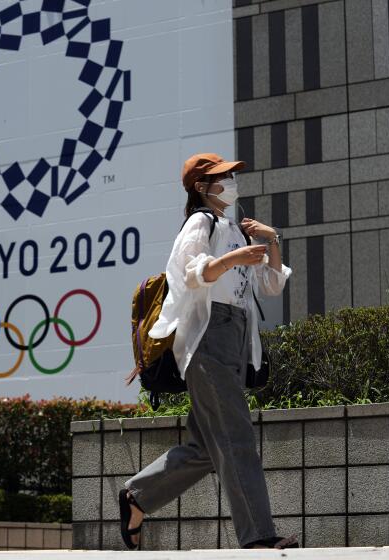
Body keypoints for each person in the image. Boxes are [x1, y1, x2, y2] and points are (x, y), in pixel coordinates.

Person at [119, 153, 297, 550]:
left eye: (231, 176)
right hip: (207, 337)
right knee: (235, 437)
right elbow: (191, 273)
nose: (231, 182)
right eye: (223, 177)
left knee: (205, 447)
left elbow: (270, 285)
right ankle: (259, 537)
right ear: (202, 187)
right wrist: (237, 256)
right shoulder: (202, 222)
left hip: (234, 337)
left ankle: (137, 496)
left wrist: (270, 240)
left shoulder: (234, 228)